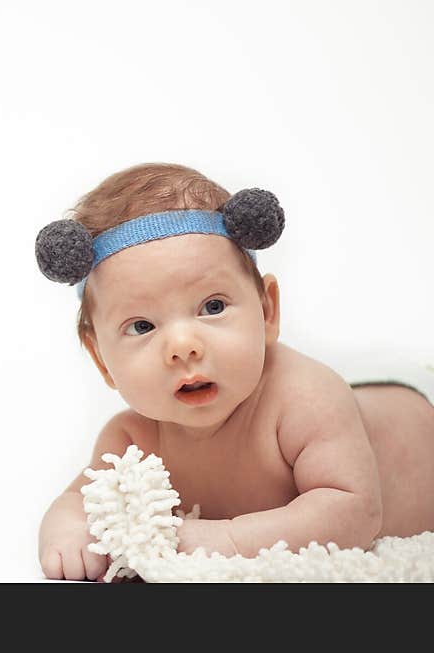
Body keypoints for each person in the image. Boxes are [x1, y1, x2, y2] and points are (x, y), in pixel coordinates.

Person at [35, 162, 434, 581]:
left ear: (267, 312)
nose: (182, 346)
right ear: (101, 360)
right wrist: (65, 531)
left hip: (416, 402)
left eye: (212, 307)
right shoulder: (133, 441)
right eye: (142, 326)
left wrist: (227, 541)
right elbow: (80, 501)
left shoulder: (305, 398)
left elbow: (354, 511)